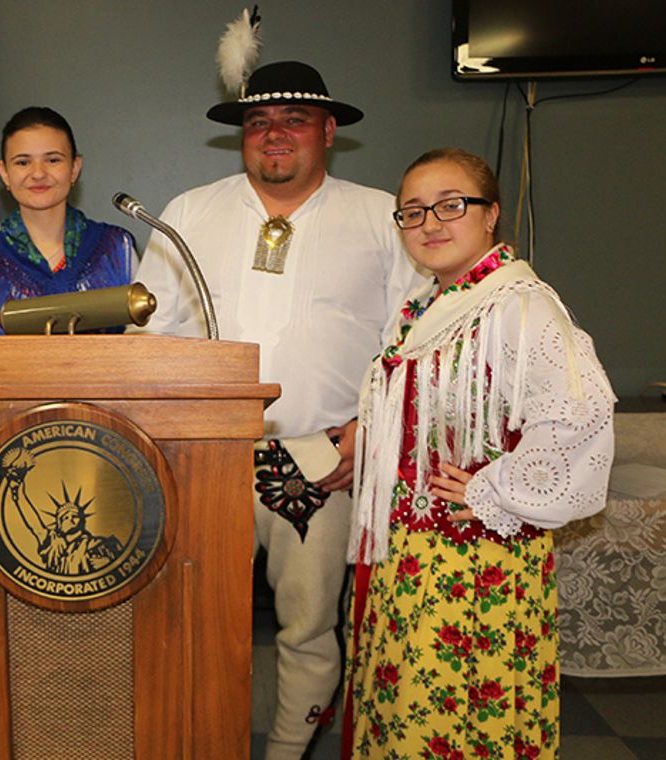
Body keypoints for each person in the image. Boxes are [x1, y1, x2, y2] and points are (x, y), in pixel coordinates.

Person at [133, 61, 426, 760]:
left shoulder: (380, 216)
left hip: (324, 456)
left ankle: (288, 753)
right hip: (206, 456)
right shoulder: (189, 212)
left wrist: (370, 432)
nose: (274, 135)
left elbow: (414, 338)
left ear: (328, 130)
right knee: (195, 621)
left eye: (294, 119)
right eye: (258, 122)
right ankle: (202, 742)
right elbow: (148, 334)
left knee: (307, 626)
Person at [343, 148, 614, 759]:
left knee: (457, 713)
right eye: (412, 212)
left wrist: (496, 490)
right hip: (412, 551)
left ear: (491, 215)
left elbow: (582, 408)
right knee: (410, 707)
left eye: (450, 205)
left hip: (474, 554)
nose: (430, 223)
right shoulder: (427, 307)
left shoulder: (517, 303)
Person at [0, 106, 136, 335]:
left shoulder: (116, 248)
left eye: (53, 160)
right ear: (4, 173)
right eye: (22, 162)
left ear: (74, 169)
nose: (38, 174)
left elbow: (145, 344)